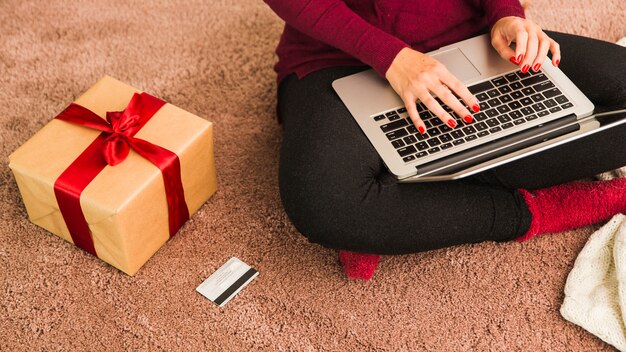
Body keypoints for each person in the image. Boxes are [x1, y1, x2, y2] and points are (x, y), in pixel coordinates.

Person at [263, 0, 626, 279]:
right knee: (323, 203)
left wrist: (506, 13)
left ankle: (407, 197)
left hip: (474, 36)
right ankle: (530, 212)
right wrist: (392, 59)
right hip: (343, 56)